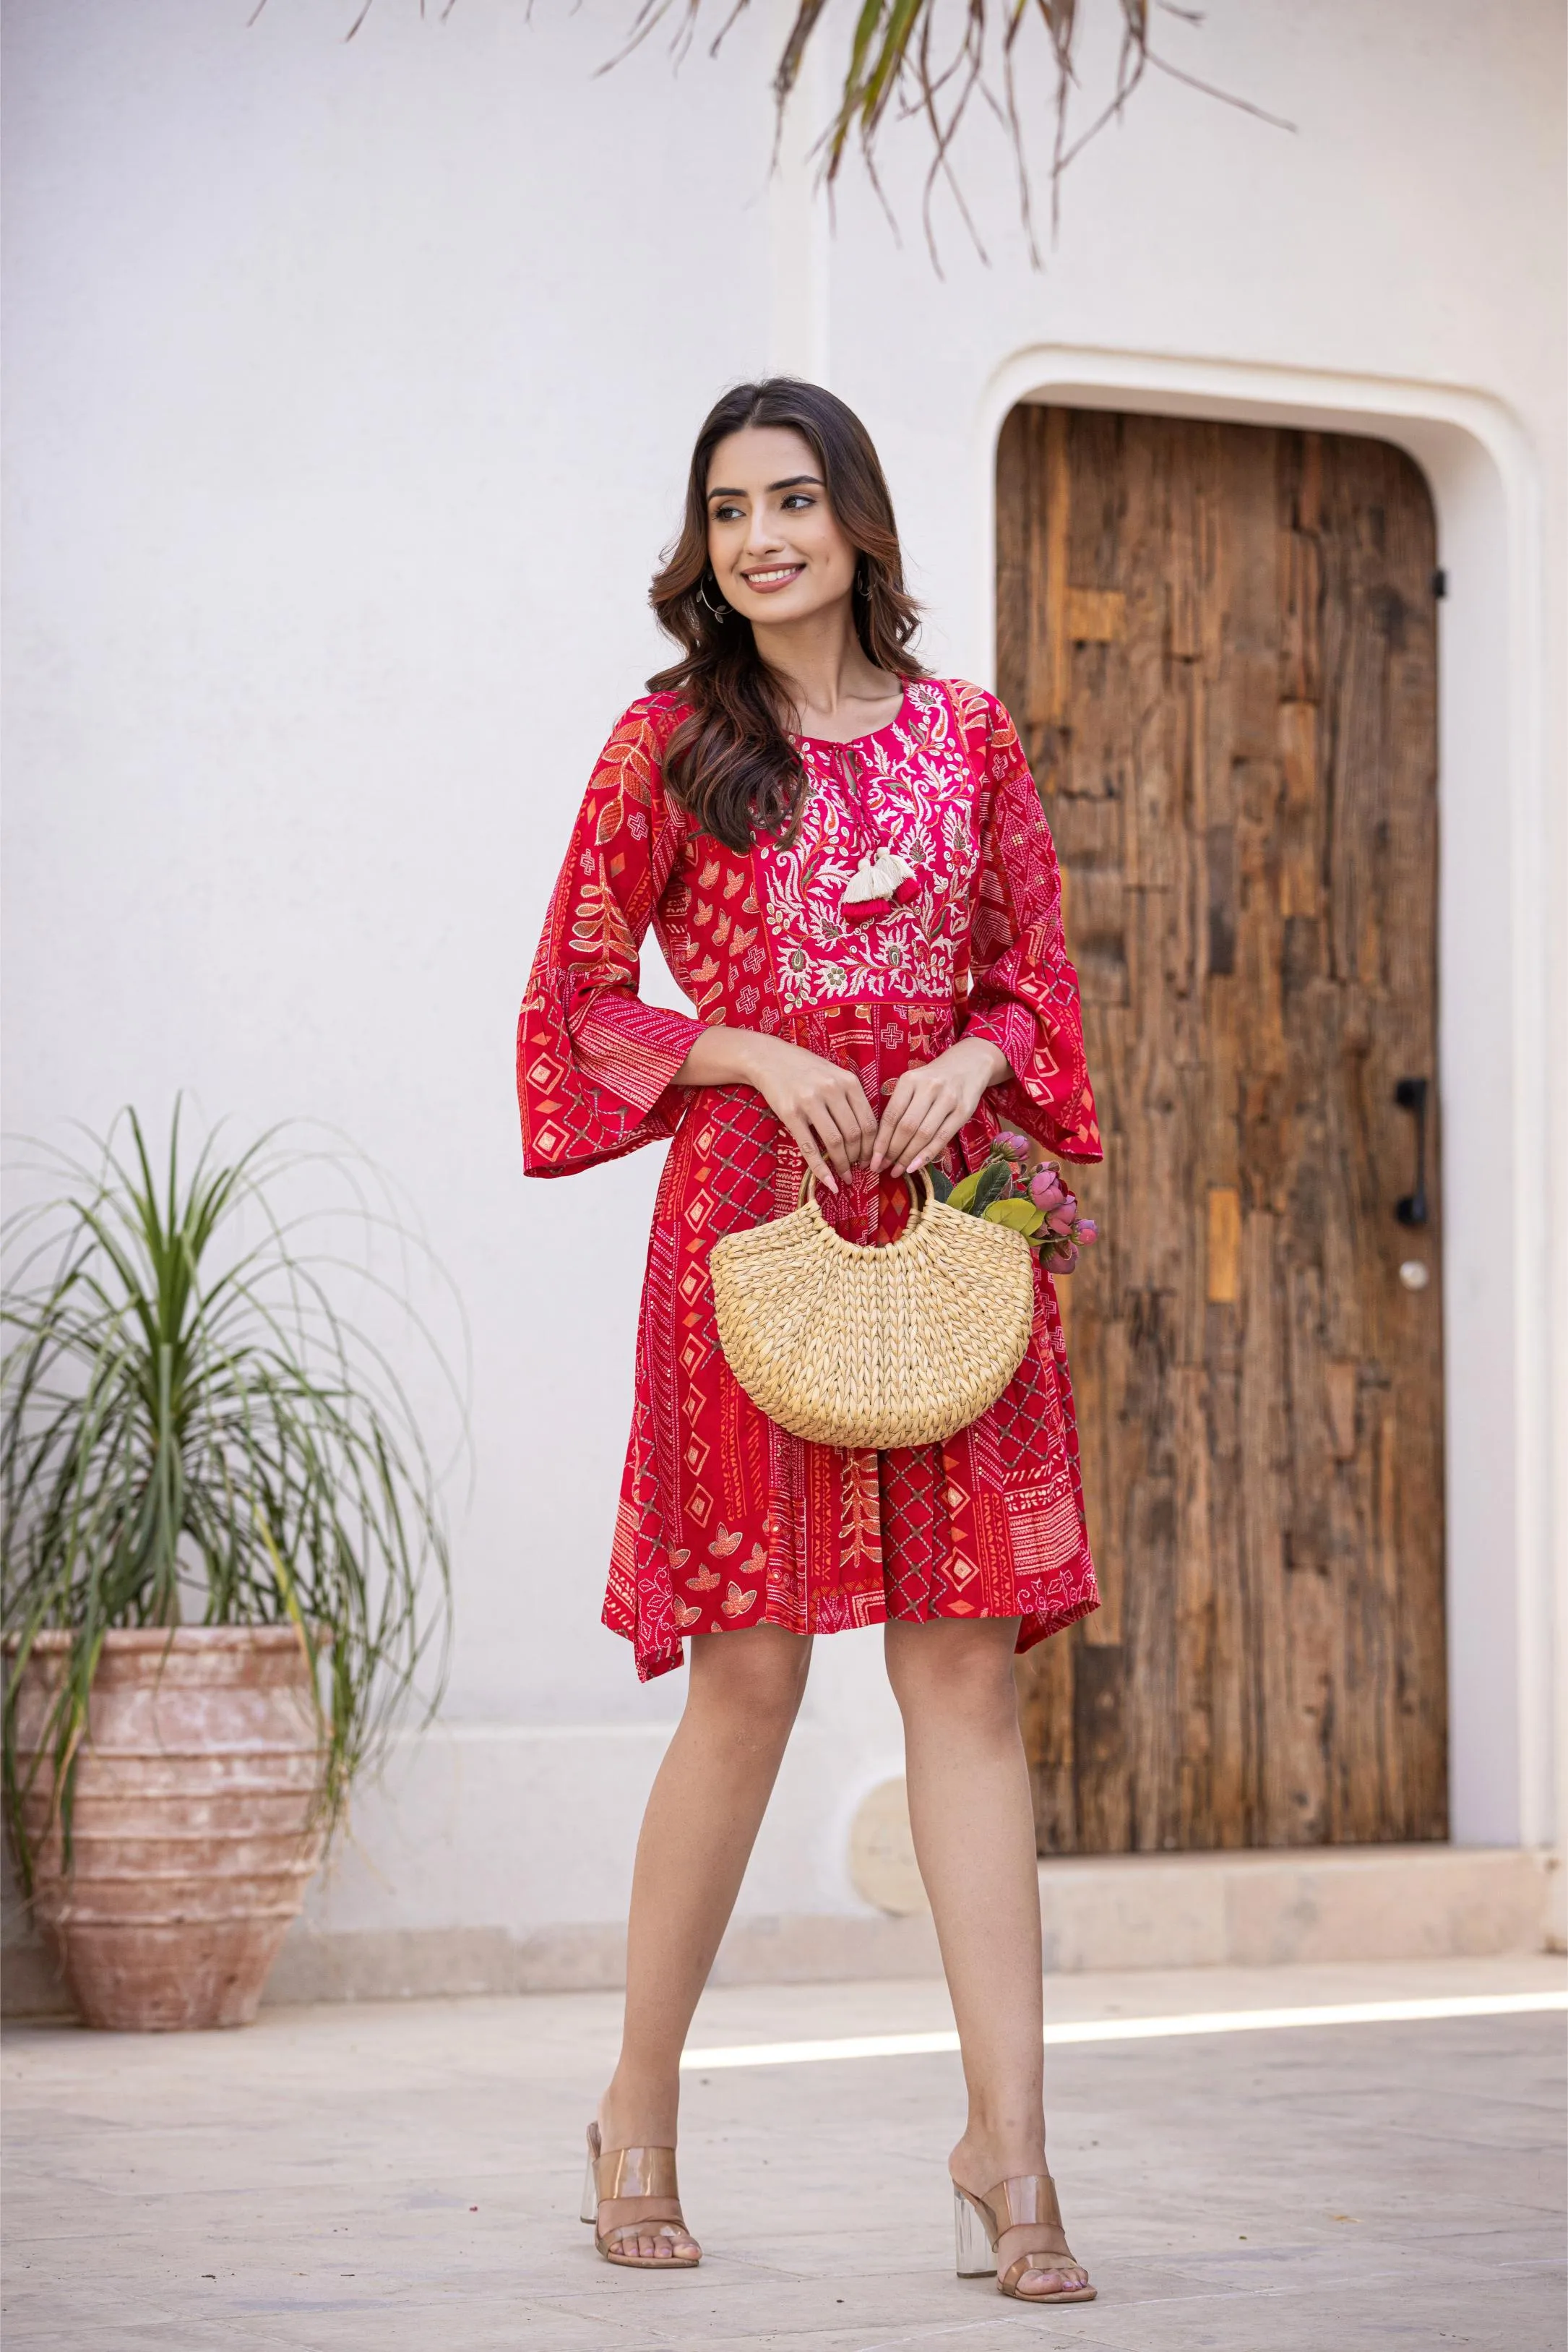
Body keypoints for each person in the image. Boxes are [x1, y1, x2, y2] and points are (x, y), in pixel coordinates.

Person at [517, 379, 1102, 2304]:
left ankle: (1013, 2153)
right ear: (706, 545)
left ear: (856, 518)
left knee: (967, 1680)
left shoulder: (969, 737)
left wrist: (972, 1058)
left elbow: (1034, 977)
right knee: (748, 1680)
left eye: (792, 498)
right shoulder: (670, 743)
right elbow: (576, 995)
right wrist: (742, 1043)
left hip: (945, 1231)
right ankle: (638, 2103)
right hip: (747, 1233)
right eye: (729, 507)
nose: (762, 534)